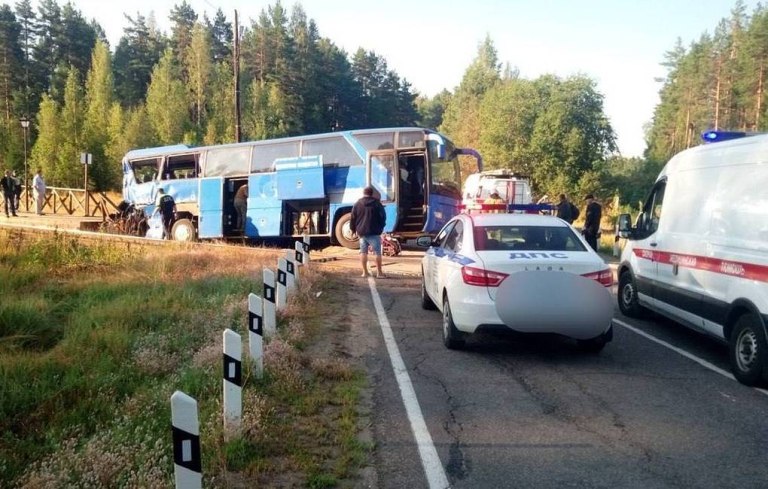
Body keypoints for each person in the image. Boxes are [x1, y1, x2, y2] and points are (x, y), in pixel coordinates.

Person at [350, 186, 387, 278]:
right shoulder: (377, 204)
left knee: (363, 252)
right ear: (372, 193)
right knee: (377, 253)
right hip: (374, 231)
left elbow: (353, 217)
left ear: (364, 193)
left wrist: (353, 229)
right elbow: (383, 217)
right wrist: (381, 227)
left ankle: (365, 272)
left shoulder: (357, 204)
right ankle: (379, 273)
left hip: (362, 232)